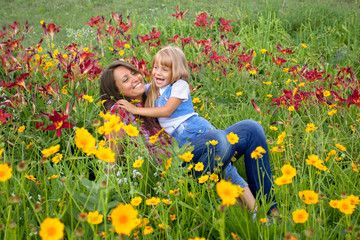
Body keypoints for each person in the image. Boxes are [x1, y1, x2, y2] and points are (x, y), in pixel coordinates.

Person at [100, 59, 277, 214]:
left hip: (190, 151)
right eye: (126, 80)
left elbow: (172, 79)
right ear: (116, 92)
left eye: (134, 73)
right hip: (173, 170)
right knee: (219, 140)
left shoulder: (152, 94)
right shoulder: (118, 113)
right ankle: (238, 206)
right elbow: (111, 159)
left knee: (252, 128)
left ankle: (268, 211)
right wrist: (107, 193)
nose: (135, 79)